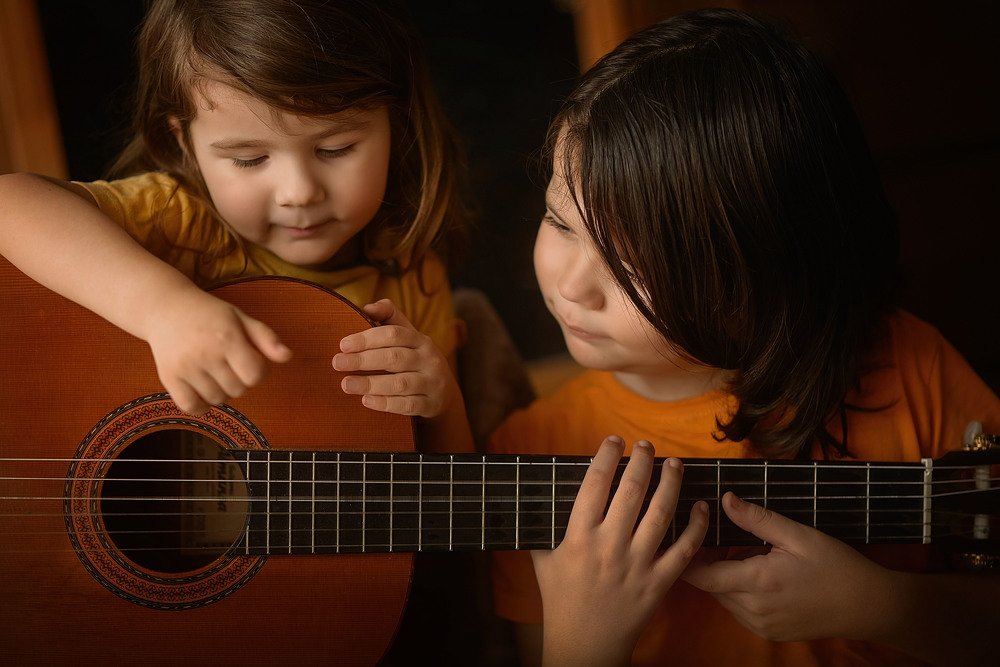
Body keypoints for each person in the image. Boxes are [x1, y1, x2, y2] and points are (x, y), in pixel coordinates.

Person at [486, 7, 1000, 666]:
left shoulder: (908, 366)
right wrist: (587, 636)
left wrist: (885, 604)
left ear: (763, 265)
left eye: (635, 262)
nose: (574, 285)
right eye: (560, 223)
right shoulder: (531, 449)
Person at [0, 0, 473, 455]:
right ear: (184, 142)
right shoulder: (175, 220)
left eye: (336, 149)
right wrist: (162, 310)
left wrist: (443, 401)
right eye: (250, 159)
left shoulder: (411, 280)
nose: (298, 192)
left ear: (396, 123)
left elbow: (447, 513)